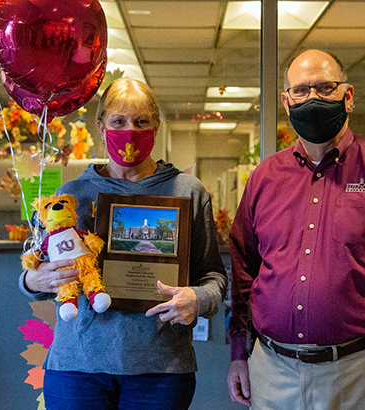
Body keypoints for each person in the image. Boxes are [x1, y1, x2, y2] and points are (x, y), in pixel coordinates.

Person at [227, 49, 365, 410]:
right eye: (301, 91)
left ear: (348, 96)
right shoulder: (264, 178)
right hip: (272, 370)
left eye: (324, 88)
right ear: (286, 102)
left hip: (360, 370)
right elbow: (243, 272)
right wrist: (239, 351)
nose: (312, 98)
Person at [19, 77, 227, 410]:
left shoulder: (187, 191)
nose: (130, 130)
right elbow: (41, 266)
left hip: (160, 369)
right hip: (78, 367)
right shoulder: (71, 194)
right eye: (118, 121)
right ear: (101, 128)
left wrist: (198, 299)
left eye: (141, 121)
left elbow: (214, 277)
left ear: (155, 128)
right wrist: (32, 280)